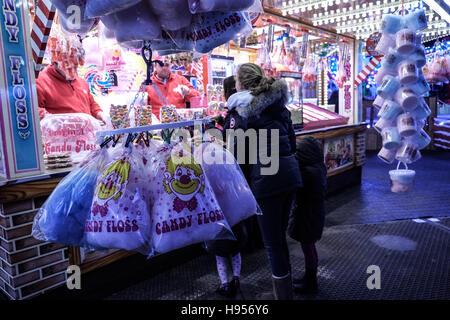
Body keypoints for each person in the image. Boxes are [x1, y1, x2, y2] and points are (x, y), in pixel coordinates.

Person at [222, 63, 303, 300]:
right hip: (289, 174)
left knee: (272, 243)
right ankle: (284, 292)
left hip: (267, 180)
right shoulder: (279, 105)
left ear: (242, 84)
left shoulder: (242, 111)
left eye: (236, 79)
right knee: (279, 238)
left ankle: (283, 297)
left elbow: (238, 155)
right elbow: (292, 142)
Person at [204, 76, 248, 299]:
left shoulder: (235, 115)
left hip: (219, 220)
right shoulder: (234, 183)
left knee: (221, 253)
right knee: (235, 247)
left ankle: (224, 282)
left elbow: (232, 141)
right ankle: (236, 278)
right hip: (235, 212)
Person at [287, 135, 327, 294]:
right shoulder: (317, 166)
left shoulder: (308, 172)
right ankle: (308, 277)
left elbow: (299, 189)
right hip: (312, 213)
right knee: (308, 246)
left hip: (308, 214)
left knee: (308, 247)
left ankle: (311, 283)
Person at [36, 61, 106, 123]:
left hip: (86, 134)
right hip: (59, 135)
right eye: (67, 66)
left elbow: (91, 103)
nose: (72, 70)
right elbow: (33, 110)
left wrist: (98, 113)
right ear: (55, 62)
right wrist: (51, 120)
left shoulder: (81, 81)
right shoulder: (40, 82)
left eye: (75, 66)